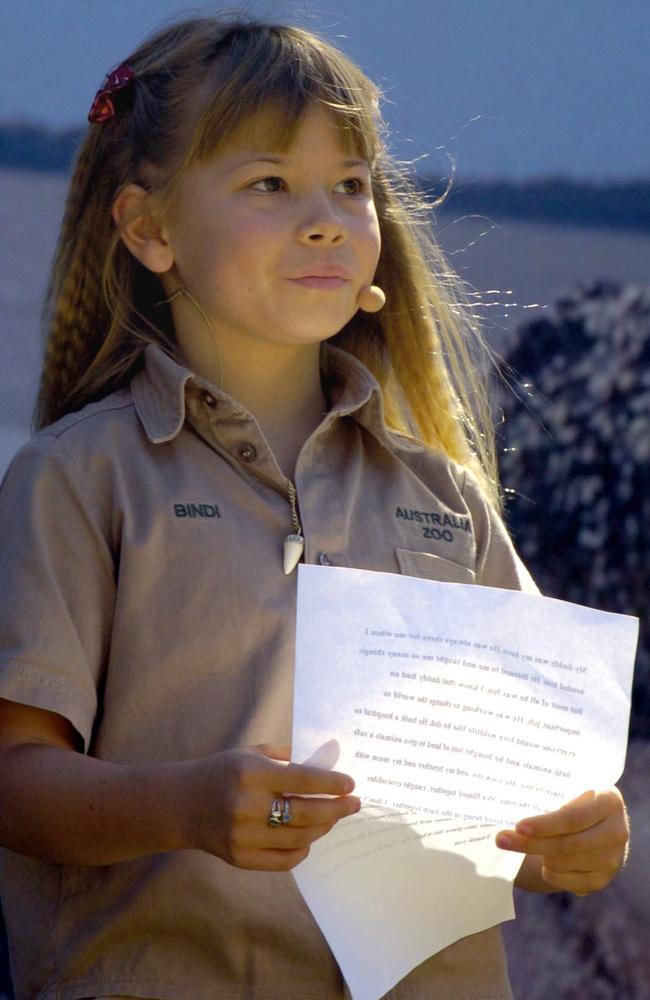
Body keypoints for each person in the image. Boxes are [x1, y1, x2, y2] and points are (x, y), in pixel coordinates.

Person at [0, 14, 629, 1000]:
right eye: (268, 184)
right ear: (149, 229)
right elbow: (16, 785)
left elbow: (531, 790)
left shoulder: (445, 496)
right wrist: (179, 805)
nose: (328, 217)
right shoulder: (78, 478)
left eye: (349, 184)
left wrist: (576, 835)